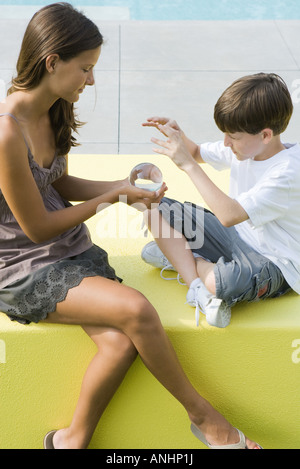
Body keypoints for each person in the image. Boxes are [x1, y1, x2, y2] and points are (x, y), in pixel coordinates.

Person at [0, 3, 263, 450]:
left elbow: (56, 180)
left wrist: (123, 185)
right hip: (24, 267)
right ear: (52, 62)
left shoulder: (53, 110)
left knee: (121, 344)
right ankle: (205, 418)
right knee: (138, 311)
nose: (92, 80)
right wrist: (111, 200)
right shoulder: (6, 132)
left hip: (69, 250)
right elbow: (39, 227)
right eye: (86, 69)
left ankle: (69, 441)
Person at [141, 73, 298, 329]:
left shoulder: (287, 173)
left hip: (274, 260)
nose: (226, 142)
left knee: (220, 284)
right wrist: (179, 136)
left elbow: (229, 214)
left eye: (233, 136)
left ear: (266, 135)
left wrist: (189, 167)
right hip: (235, 235)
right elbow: (195, 152)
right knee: (152, 205)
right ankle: (196, 286)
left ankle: (186, 260)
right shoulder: (247, 147)